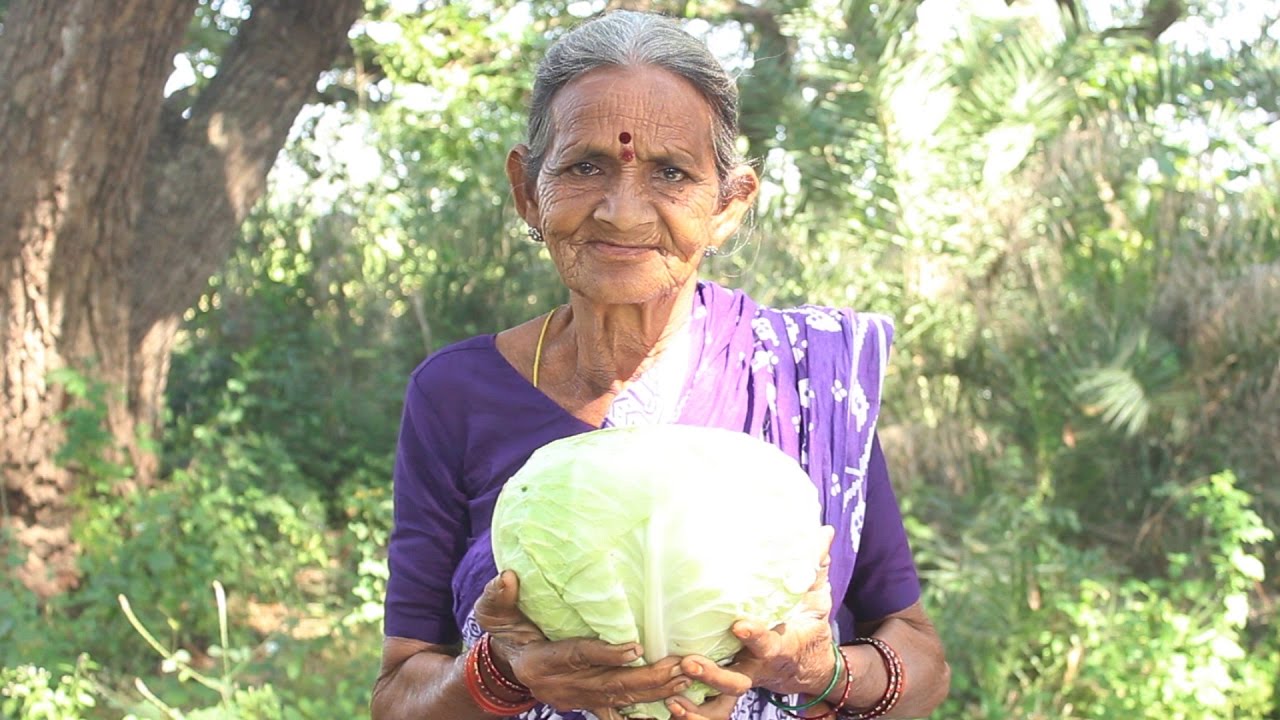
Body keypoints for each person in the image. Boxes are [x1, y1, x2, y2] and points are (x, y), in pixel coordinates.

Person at [370, 10, 949, 720]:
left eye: (671, 173)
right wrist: (501, 673)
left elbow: (922, 664)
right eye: (586, 166)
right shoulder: (457, 394)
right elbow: (399, 695)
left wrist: (818, 670)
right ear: (527, 190)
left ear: (728, 205)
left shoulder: (804, 379)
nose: (622, 211)